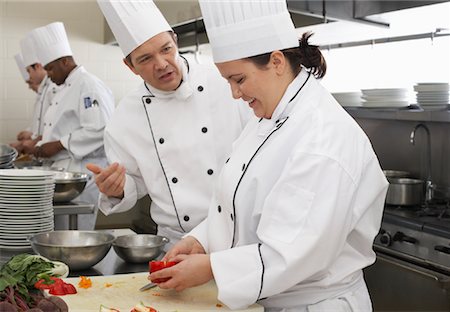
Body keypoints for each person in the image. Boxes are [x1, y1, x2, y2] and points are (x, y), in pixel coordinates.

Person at [152, 1, 389, 311]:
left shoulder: (322, 137)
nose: (235, 94)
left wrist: (211, 267)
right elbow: (236, 205)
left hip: (311, 305)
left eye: (239, 79)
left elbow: (293, 252)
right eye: (228, 82)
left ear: (277, 62)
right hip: (264, 299)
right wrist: (202, 240)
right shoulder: (267, 118)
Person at [89, 0, 251, 250]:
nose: (162, 64)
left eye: (166, 49)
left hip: (239, 237)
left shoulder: (226, 83)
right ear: (130, 66)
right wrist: (117, 189)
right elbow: (133, 181)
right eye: (145, 59)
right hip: (177, 244)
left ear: (175, 41)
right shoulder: (125, 118)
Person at [24, 21, 114, 230]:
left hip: (82, 173)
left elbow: (100, 128)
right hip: (64, 173)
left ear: (65, 61)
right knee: (59, 232)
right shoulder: (64, 88)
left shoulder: (88, 85)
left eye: (51, 69)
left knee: (75, 233)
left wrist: (57, 145)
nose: (49, 75)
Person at [10, 35, 55, 154]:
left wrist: (32, 139)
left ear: (39, 66)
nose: (30, 80)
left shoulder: (54, 88)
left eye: (29, 72)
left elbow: (57, 129)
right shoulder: (45, 90)